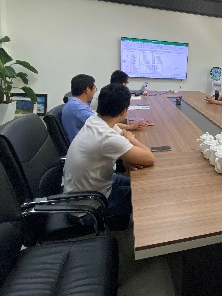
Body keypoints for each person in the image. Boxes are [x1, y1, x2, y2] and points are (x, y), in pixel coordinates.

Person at [63, 83, 155, 225]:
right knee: (146, 193)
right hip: (88, 208)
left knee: (140, 183)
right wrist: (131, 140)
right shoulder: (106, 137)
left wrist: (126, 157)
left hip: (90, 188)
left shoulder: (96, 120)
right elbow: (149, 158)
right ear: (124, 111)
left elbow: (121, 136)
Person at [62, 74, 97, 142]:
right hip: (84, 145)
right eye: (94, 89)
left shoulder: (78, 104)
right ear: (87, 90)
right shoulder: (76, 107)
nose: (94, 92)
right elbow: (101, 123)